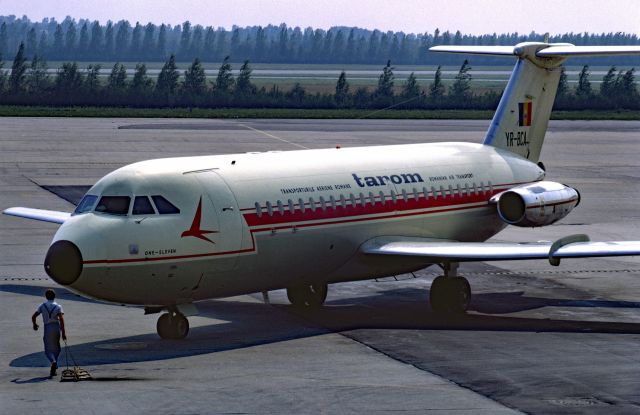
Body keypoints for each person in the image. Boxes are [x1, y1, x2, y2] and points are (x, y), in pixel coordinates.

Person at [32, 289, 67, 377]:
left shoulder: (42, 306)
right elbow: (61, 320)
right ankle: (55, 365)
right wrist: (63, 333)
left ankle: (53, 362)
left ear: (46, 297)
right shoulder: (58, 306)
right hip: (56, 327)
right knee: (57, 347)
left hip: (47, 327)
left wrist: (35, 324)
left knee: (48, 349)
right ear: (54, 296)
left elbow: (34, 316)